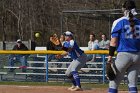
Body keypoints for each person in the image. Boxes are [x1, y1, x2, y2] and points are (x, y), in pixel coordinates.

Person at [107, 0, 140, 93]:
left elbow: (113, 42)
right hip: (138, 55)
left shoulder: (119, 22)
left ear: (124, 9)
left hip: (124, 55)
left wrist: (110, 56)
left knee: (113, 83)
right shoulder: (139, 22)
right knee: (133, 84)